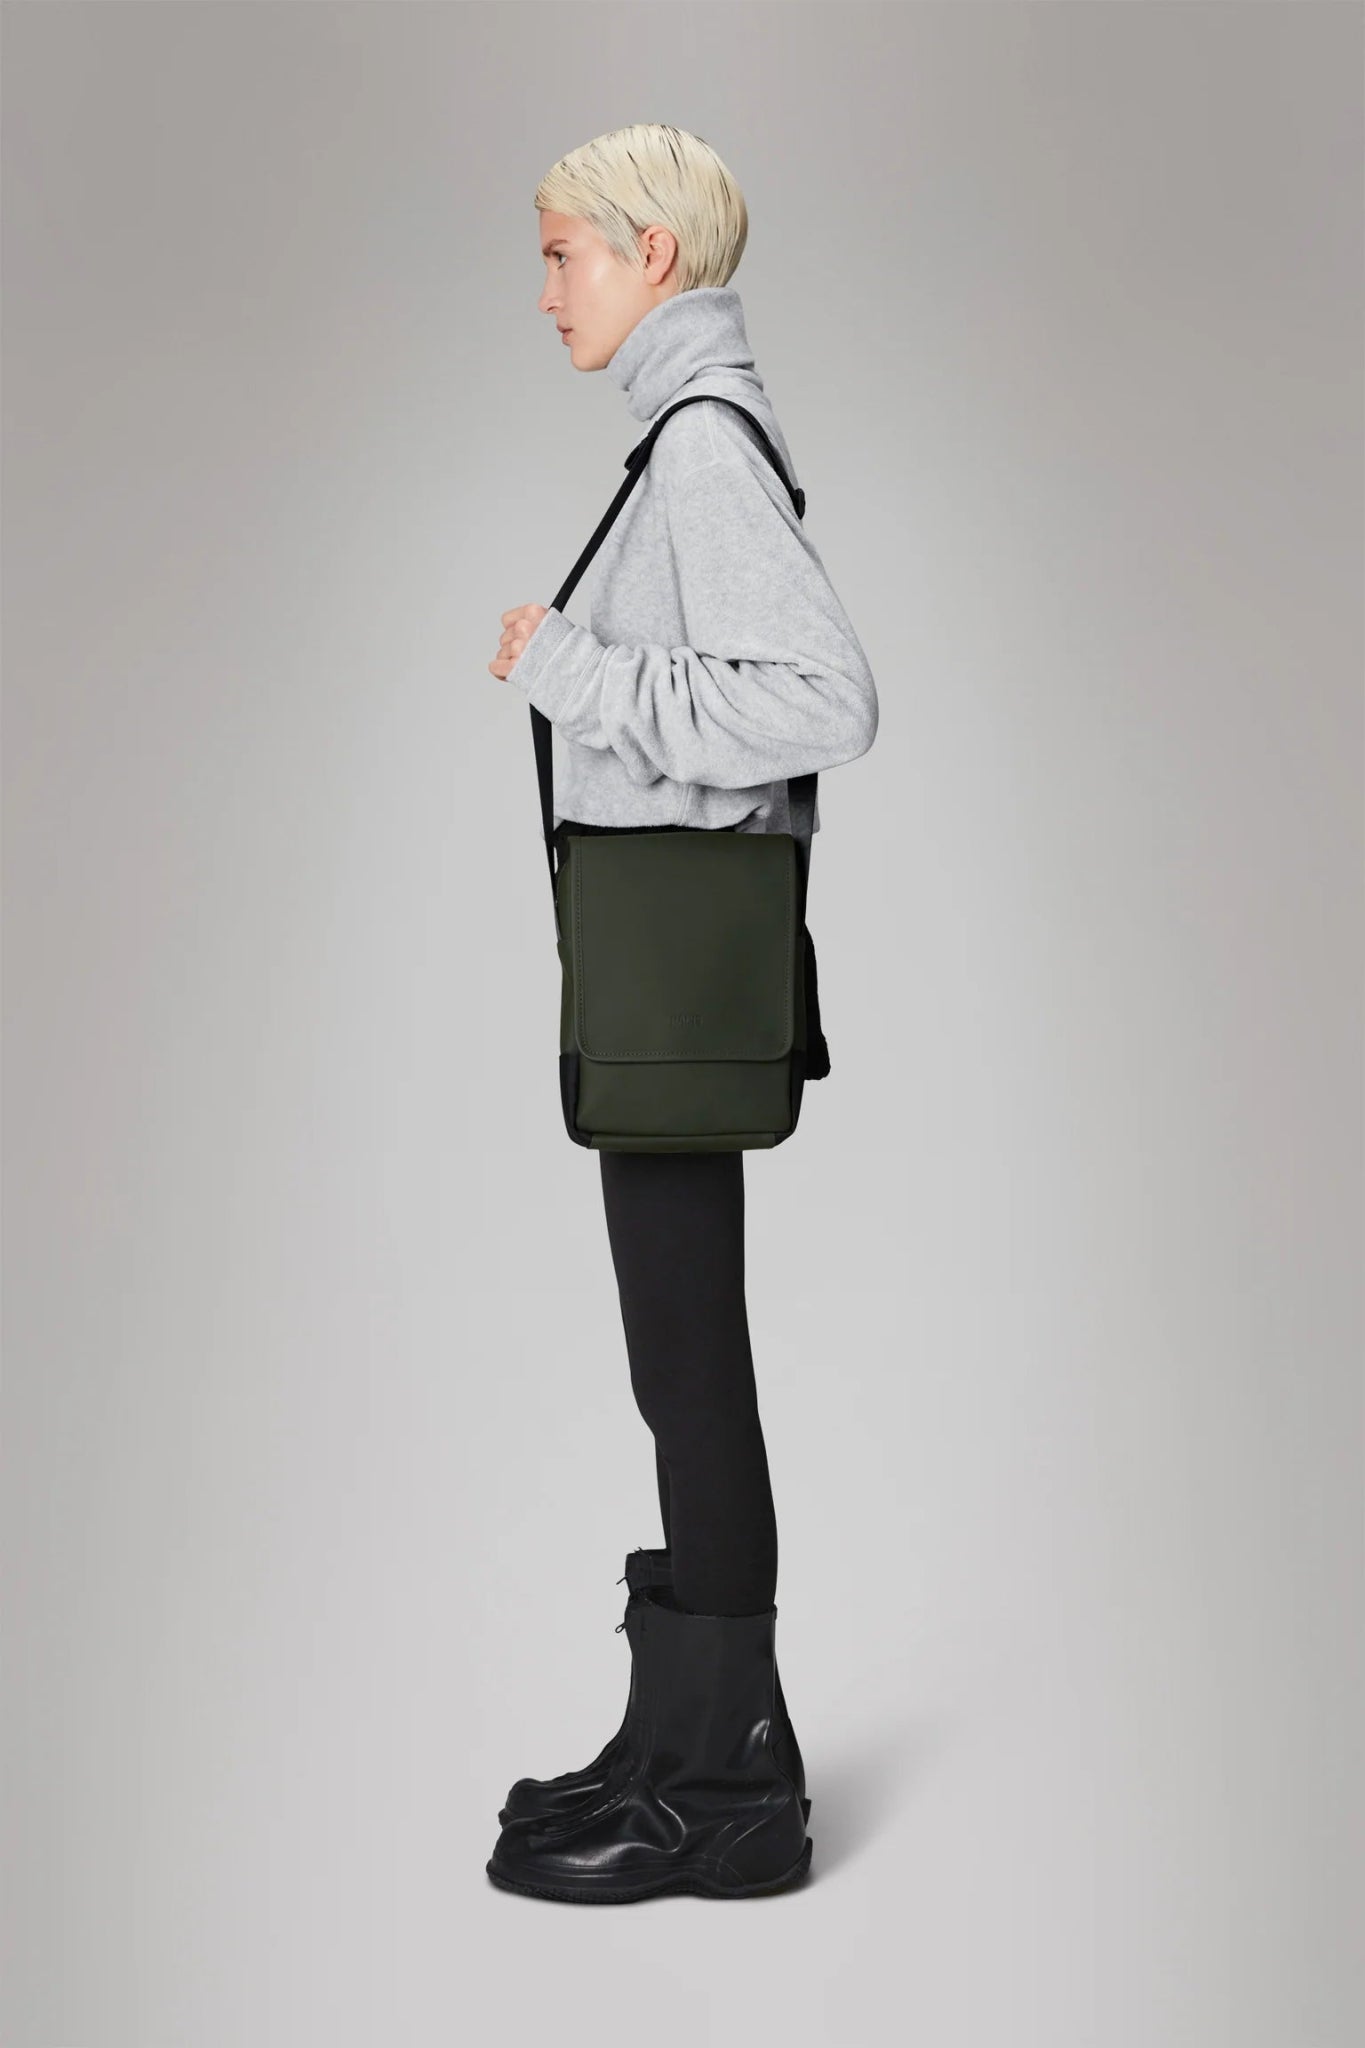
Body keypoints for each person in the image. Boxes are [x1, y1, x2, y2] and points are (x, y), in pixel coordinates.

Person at [483, 123, 878, 1904]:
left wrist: (572, 668)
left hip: (671, 977)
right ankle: (686, 1743)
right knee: (678, 1359)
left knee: (689, 1363)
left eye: (564, 253)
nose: (546, 288)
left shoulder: (704, 444)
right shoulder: (681, 437)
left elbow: (821, 700)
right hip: (652, 973)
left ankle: (724, 1788)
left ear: (651, 254)